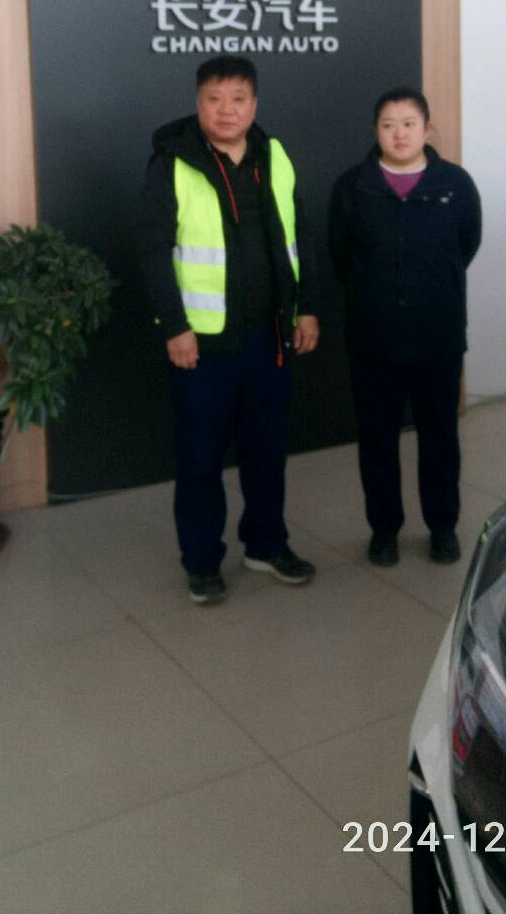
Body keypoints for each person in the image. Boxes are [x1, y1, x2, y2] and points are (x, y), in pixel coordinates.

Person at [139, 56, 320, 605]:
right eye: (215, 99)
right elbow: (153, 251)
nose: (227, 110)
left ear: (254, 104)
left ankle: (266, 545)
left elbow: (300, 235)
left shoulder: (274, 154)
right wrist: (175, 327)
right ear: (199, 103)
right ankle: (201, 562)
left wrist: (306, 308)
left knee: (267, 451)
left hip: (270, 336)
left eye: (238, 99)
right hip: (203, 344)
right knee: (200, 458)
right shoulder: (172, 163)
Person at [328, 87, 481, 566]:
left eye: (409, 124)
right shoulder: (352, 186)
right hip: (373, 338)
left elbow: (467, 244)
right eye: (389, 125)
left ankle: (442, 526)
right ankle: (384, 529)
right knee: (377, 440)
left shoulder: (455, 184)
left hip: (437, 336)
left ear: (426, 129)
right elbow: (340, 256)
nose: (399, 134)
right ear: (376, 131)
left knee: (440, 436)